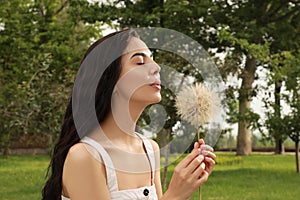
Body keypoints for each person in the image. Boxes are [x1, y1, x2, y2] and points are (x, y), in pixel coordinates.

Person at [42, 29, 216, 200]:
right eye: (140, 62)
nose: (156, 67)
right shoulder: (86, 157)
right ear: (110, 80)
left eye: (152, 60)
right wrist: (175, 195)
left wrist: (187, 183)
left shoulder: (149, 150)